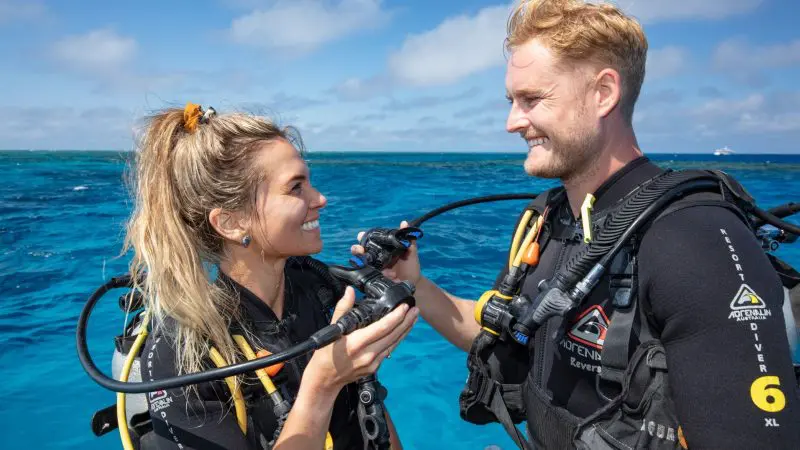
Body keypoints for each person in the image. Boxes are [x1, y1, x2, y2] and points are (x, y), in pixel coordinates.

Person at [352, 1, 800, 449]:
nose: (512, 122)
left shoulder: (692, 240)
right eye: (512, 101)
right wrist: (416, 284)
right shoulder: (545, 218)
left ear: (604, 93)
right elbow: (505, 333)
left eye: (532, 99)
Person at [123, 102, 418, 449]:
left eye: (309, 182)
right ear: (231, 222)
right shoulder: (181, 353)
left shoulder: (324, 291)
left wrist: (407, 285)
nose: (320, 199)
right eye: (295, 188)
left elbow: (372, 411)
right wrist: (323, 383)